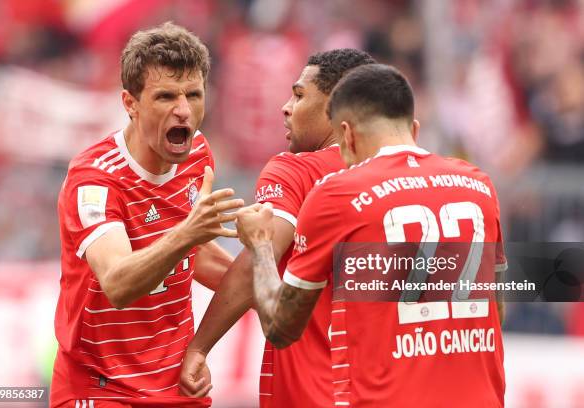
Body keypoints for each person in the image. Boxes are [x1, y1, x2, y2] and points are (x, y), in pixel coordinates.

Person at [235, 64, 508, 407]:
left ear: (346, 134)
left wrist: (259, 243)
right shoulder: (479, 185)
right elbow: (497, 312)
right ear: (414, 129)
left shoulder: (338, 193)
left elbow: (281, 326)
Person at [51, 22, 244, 408]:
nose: (184, 111)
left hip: (177, 386)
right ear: (130, 103)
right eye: (166, 97)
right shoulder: (95, 178)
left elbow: (199, 257)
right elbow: (118, 283)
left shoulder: (198, 154)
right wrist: (189, 232)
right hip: (100, 388)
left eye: (194, 94)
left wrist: (270, 287)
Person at [180, 49, 376, 407]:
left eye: (299, 95)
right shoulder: (406, 181)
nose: (286, 107)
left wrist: (198, 347)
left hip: (312, 392)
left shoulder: (295, 171)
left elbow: (258, 258)